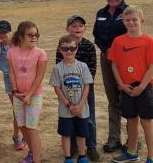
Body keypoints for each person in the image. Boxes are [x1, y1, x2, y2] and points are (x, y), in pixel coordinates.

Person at [109, 6, 153, 163]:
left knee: (146, 122)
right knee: (131, 120)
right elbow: (114, 65)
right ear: (123, 22)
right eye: (127, 20)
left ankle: (152, 157)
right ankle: (132, 153)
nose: (131, 23)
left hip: (144, 87)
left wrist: (142, 86)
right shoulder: (118, 41)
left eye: (134, 20)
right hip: (127, 87)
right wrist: (121, 84)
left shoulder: (149, 41)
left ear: (142, 21)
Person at [93, 0, 135, 153]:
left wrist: (117, 51)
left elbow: (133, 34)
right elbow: (96, 35)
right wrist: (106, 50)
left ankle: (133, 140)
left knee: (129, 98)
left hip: (126, 60)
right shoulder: (101, 13)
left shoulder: (127, 12)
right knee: (113, 100)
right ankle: (114, 138)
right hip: (106, 59)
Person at [57, 15, 100, 161]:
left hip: (85, 92)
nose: (77, 29)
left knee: (89, 119)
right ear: (68, 28)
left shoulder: (89, 46)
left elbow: (92, 71)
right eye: (74, 26)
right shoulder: (62, 46)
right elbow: (59, 71)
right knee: (69, 120)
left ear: (85, 28)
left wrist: (82, 100)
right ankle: (73, 147)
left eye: (80, 26)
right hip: (67, 93)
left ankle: (91, 146)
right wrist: (69, 101)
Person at [7, 21, 48, 163]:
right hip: (18, 95)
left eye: (36, 35)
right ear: (20, 36)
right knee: (22, 126)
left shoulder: (40, 53)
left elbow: (39, 77)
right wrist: (14, 91)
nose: (34, 37)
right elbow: (11, 73)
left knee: (31, 127)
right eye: (30, 35)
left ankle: (36, 160)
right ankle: (31, 153)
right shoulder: (11, 52)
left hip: (34, 95)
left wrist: (30, 94)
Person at [0, 20, 28, 151]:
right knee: (17, 108)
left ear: (10, 32)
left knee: (23, 108)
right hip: (9, 79)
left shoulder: (17, 44)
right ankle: (18, 136)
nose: (2, 35)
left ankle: (21, 135)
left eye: (5, 32)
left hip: (21, 78)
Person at [51, 35, 94, 163]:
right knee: (66, 134)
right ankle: (68, 157)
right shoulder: (57, 68)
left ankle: (82, 155)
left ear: (77, 48)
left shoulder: (83, 66)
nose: (69, 51)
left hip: (82, 108)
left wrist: (80, 105)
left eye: (72, 48)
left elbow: (87, 85)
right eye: (65, 49)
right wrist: (69, 105)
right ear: (59, 49)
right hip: (65, 109)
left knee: (82, 134)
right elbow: (57, 88)